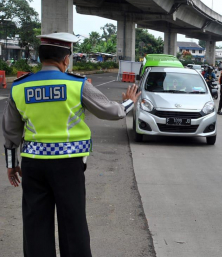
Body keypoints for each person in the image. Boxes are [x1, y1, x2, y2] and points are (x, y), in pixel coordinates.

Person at [3, 32, 141, 256]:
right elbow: (113, 112)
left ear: (40, 58)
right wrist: (129, 102)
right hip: (68, 165)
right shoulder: (77, 85)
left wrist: (12, 163)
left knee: (35, 223)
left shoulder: (20, 87)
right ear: (66, 59)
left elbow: (10, 130)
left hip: (33, 165)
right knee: (72, 223)